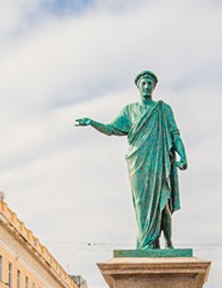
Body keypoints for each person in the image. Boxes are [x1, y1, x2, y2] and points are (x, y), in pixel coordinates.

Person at [75, 71, 188, 250]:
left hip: (159, 160)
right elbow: (110, 129)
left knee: (163, 202)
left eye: (150, 83)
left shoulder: (163, 109)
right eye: (144, 83)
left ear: (154, 86)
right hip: (138, 163)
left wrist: (183, 156)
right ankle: (147, 243)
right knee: (142, 204)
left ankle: (168, 243)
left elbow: (175, 134)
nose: (147, 87)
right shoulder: (129, 111)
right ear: (138, 86)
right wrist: (92, 122)